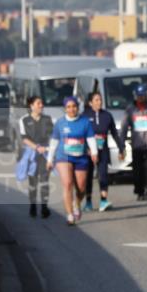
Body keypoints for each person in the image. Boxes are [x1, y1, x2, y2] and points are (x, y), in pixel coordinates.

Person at [46, 96, 98, 227]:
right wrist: (50, 159)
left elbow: (91, 138)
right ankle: (69, 215)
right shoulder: (60, 123)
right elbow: (54, 141)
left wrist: (94, 152)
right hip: (64, 157)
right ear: (65, 109)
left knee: (81, 188)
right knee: (68, 184)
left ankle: (77, 203)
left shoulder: (85, 122)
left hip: (81, 157)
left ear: (78, 107)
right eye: (68, 107)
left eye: (74, 106)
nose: (71, 109)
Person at [119, 84, 147, 201]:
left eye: (143, 96)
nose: (141, 98)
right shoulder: (130, 109)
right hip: (137, 144)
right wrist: (121, 144)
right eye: (139, 96)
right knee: (137, 169)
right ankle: (139, 191)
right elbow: (124, 127)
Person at [82, 91, 124, 212]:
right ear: (90, 103)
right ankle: (88, 202)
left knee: (103, 174)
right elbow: (80, 133)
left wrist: (121, 148)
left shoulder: (107, 115)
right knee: (88, 176)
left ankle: (103, 200)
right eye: (96, 100)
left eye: (100, 100)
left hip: (103, 150)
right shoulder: (84, 116)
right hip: (88, 151)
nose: (99, 102)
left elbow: (114, 133)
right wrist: (86, 148)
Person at [18, 95, 54, 219]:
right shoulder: (24, 120)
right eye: (38, 103)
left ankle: (44, 207)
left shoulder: (47, 119)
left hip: (44, 153)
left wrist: (48, 149)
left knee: (45, 180)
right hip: (31, 153)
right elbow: (24, 138)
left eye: (42, 103)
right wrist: (36, 147)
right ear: (31, 106)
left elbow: (52, 136)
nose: (41, 105)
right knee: (32, 181)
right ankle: (33, 205)